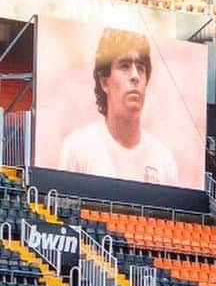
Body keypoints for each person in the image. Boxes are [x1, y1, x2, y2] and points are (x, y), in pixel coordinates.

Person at [58, 29, 179, 185]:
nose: (135, 76)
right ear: (104, 82)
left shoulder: (164, 161)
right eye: (124, 66)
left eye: (141, 68)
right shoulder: (77, 148)